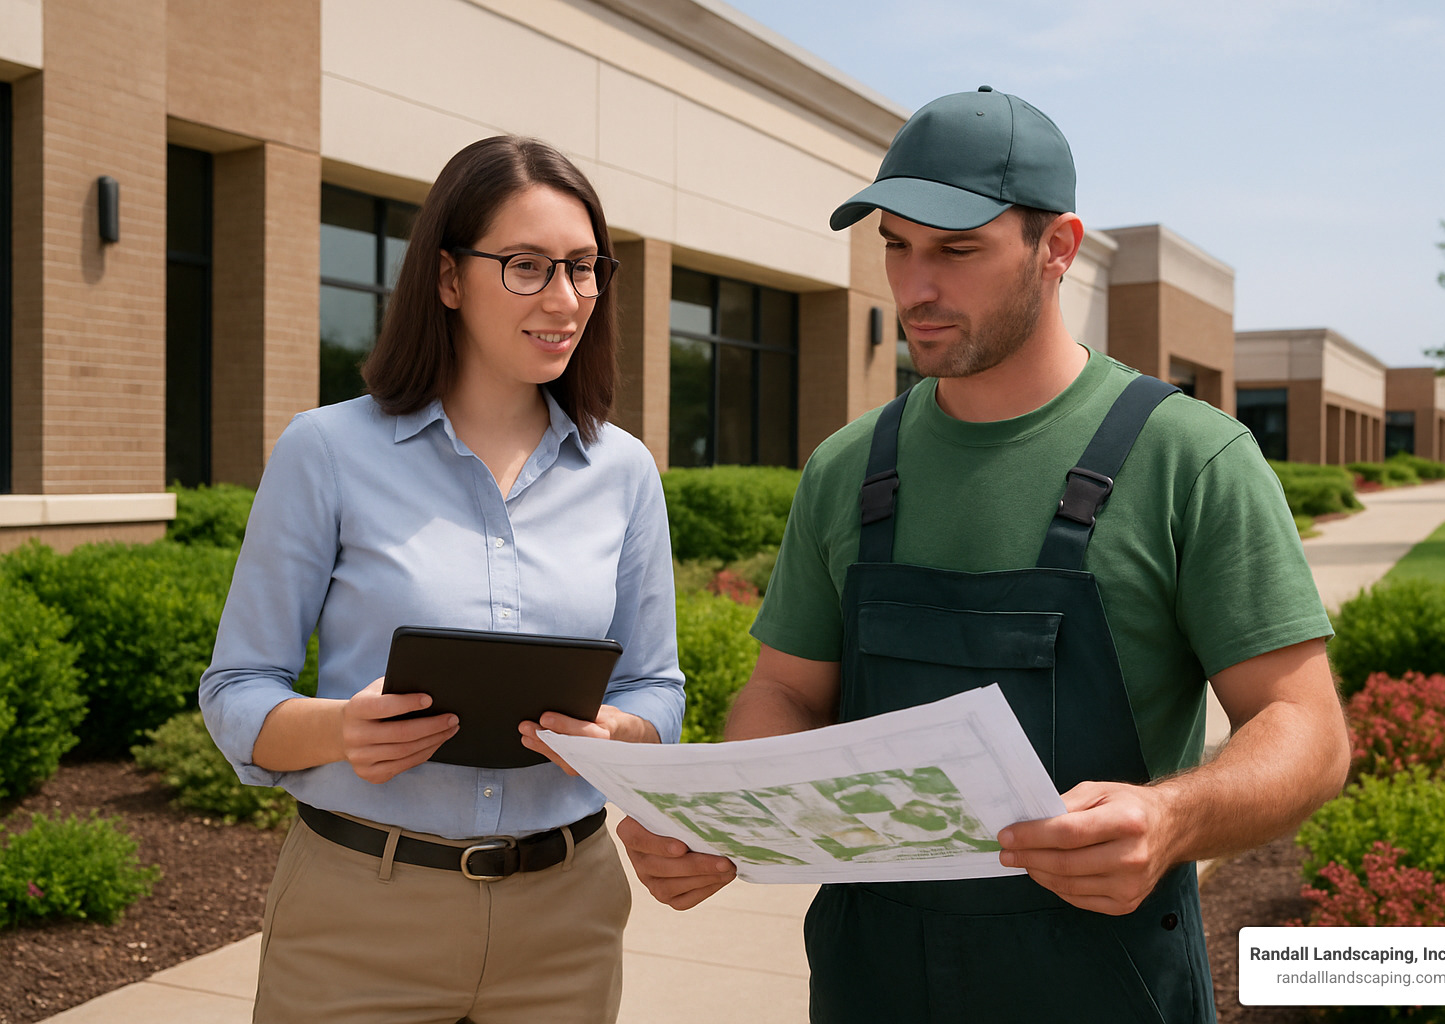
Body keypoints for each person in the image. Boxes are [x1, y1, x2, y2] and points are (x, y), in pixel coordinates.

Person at [616, 87, 1350, 1022]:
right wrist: (734, 818)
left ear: (1058, 247)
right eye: (896, 245)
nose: (914, 287)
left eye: (956, 250)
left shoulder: (1190, 459)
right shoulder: (848, 468)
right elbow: (786, 692)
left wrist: (1172, 818)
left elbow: (1306, 730)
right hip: (871, 981)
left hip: (1103, 983)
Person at [200, 135, 684, 1024]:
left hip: (566, 921)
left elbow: (659, 688)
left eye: (583, 268)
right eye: (527, 266)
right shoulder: (326, 451)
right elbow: (236, 690)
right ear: (449, 277)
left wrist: (614, 731)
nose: (565, 298)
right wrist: (341, 729)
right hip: (357, 920)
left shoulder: (624, 472)